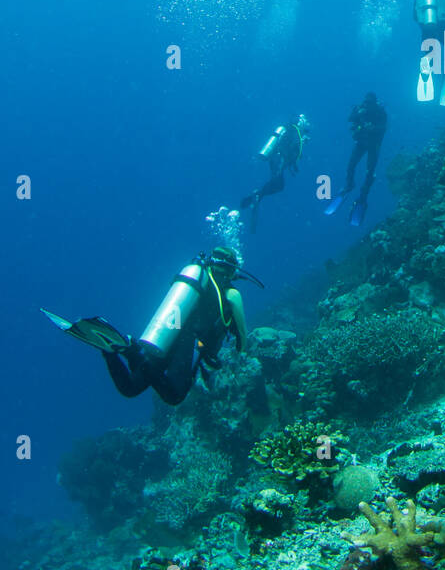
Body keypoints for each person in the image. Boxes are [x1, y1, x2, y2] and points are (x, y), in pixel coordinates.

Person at [41, 247, 254, 407]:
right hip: (189, 342)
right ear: (232, 268)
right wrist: (242, 353)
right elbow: (242, 333)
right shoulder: (232, 293)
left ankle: (115, 352)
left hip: (167, 331)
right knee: (174, 395)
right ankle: (131, 352)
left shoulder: (197, 280)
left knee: (131, 388)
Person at [325, 92, 387, 226]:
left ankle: (364, 194)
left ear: (375, 103)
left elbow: (383, 127)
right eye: (366, 102)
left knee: (370, 171)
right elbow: (350, 119)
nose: (368, 105)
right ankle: (349, 184)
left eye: (370, 103)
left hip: (373, 145)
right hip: (361, 143)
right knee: (351, 165)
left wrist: (373, 128)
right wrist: (358, 113)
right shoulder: (361, 109)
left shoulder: (380, 112)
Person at [240, 114, 310, 229]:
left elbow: (292, 152)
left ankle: (257, 196)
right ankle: (257, 196)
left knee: (278, 184)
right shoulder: (295, 132)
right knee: (278, 184)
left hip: (276, 159)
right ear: (301, 124)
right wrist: (301, 142)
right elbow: (295, 152)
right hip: (279, 159)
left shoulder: (290, 131)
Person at [413, 0, 445, 106]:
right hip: (444, 26)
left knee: (429, 52)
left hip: (427, 28)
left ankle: (426, 66)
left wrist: (424, 25)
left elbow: (415, 16)